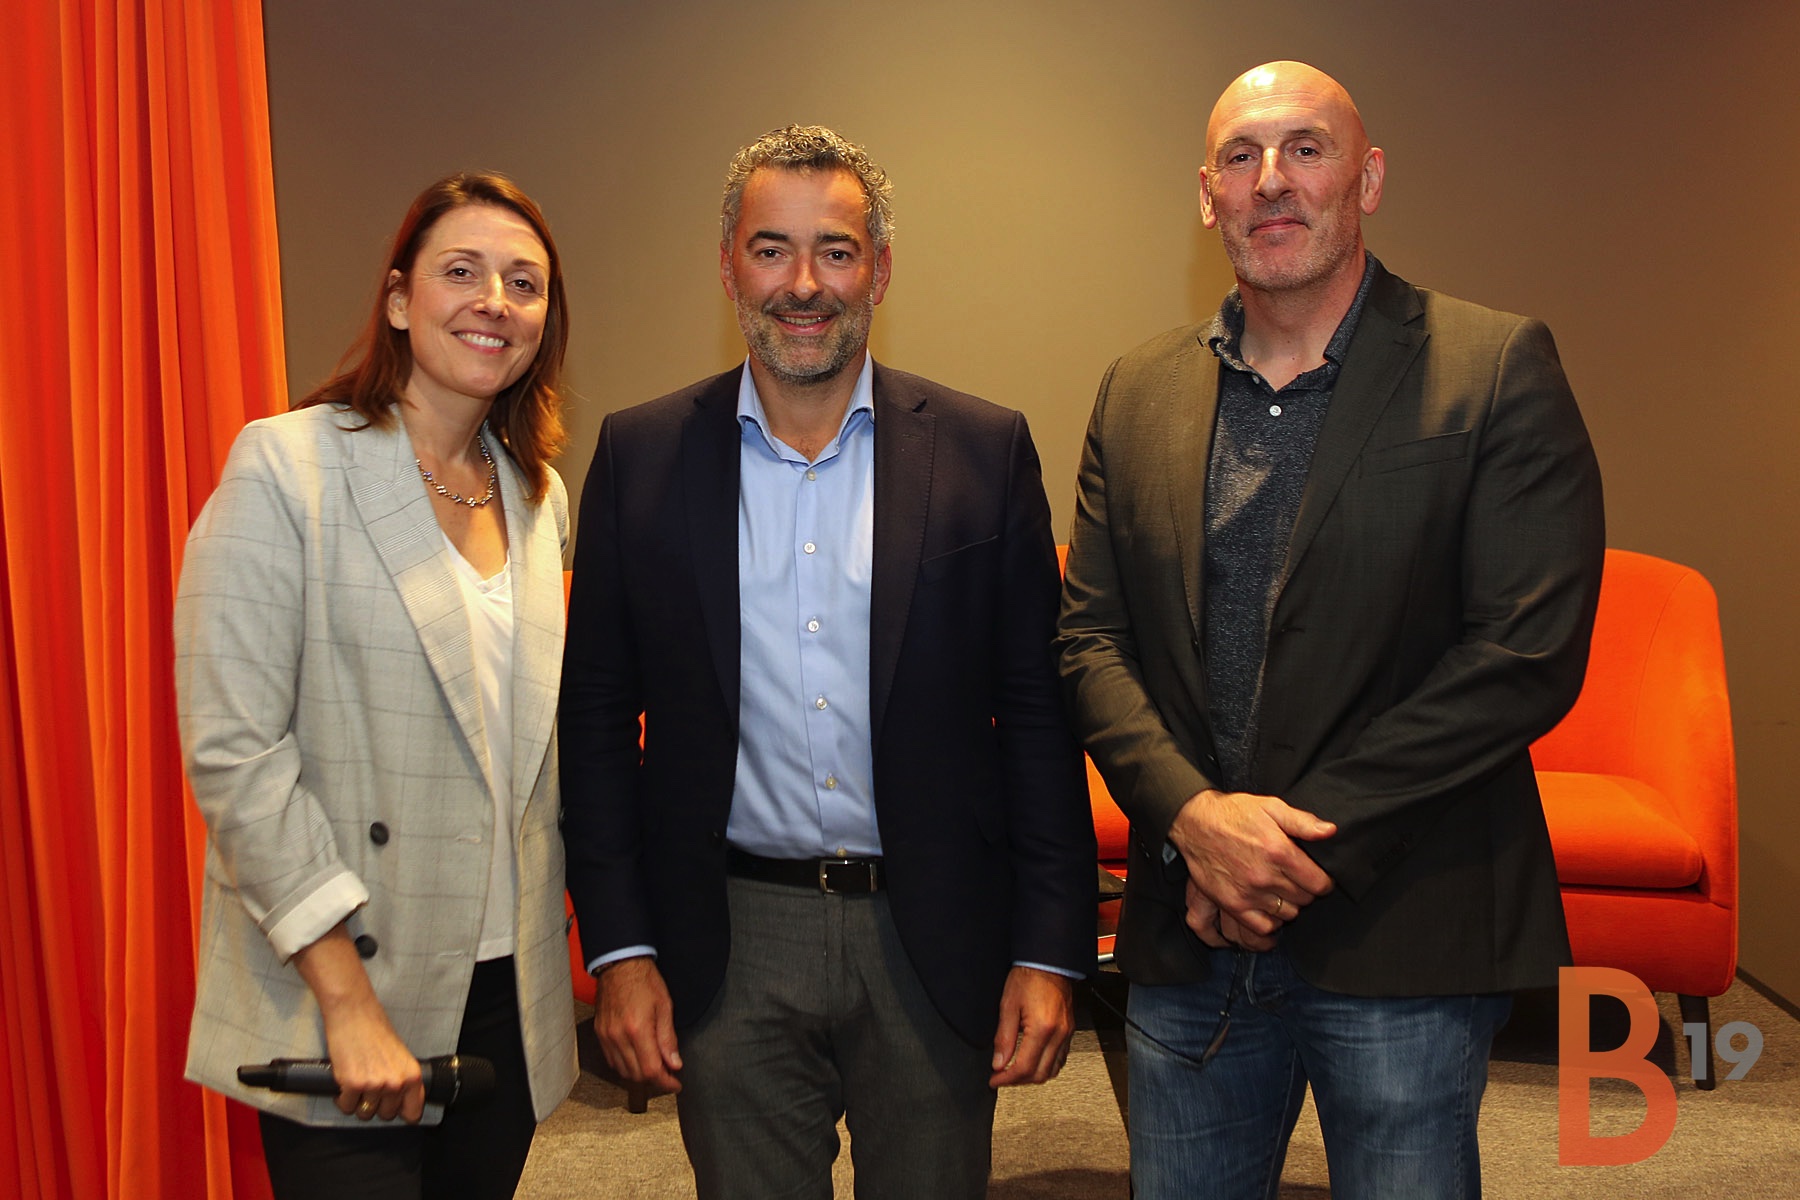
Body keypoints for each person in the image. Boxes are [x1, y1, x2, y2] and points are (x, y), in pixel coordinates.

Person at [1056, 62, 1605, 1199]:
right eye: (1241, 157)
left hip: (1405, 923)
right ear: (1207, 194)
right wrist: (1195, 820)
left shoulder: (1492, 366)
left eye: (1306, 149)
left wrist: (1285, 850)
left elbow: (1522, 653)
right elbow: (1091, 641)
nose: (1273, 180)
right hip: (1188, 924)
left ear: (1369, 178)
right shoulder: (1135, 390)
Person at [560, 124, 1095, 1198]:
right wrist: (619, 950)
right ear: (729, 268)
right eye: (771, 249)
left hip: (931, 932)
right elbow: (598, 720)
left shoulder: (983, 451)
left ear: (879, 270)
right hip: (729, 935)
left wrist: (1049, 949)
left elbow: (1038, 716)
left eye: (836, 251)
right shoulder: (641, 454)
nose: (803, 284)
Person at [175, 172, 578, 1200]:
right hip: (346, 981)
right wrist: (347, 1001)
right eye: (462, 271)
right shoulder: (288, 466)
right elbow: (236, 754)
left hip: (504, 987)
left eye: (524, 282)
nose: (495, 301)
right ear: (399, 299)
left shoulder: (540, 497)